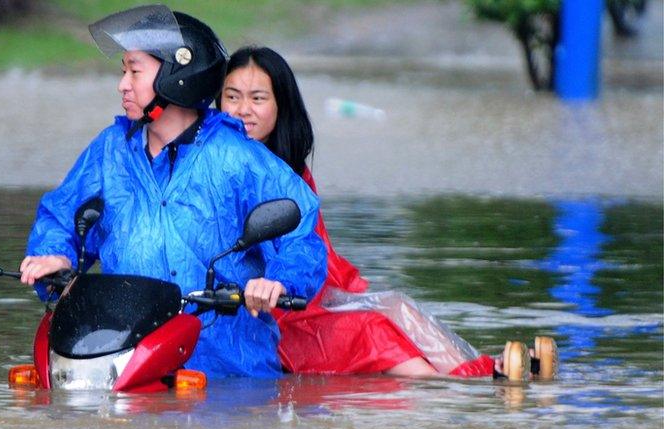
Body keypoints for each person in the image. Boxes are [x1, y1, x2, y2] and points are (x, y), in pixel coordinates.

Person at [19, 7, 326, 379]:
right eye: (123, 71)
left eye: (135, 71)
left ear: (178, 76)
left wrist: (278, 280)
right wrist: (55, 256)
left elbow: (302, 234)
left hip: (226, 370)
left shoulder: (238, 156)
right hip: (123, 358)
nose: (123, 84)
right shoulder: (109, 150)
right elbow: (61, 216)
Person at [218, 46, 556, 379]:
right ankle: (459, 384)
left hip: (295, 292)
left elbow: (309, 249)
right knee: (371, 327)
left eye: (258, 98)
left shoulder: (292, 172)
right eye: (232, 97)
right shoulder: (216, 165)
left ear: (281, 106)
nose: (243, 110)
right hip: (258, 311)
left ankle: (479, 367)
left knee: (395, 305)